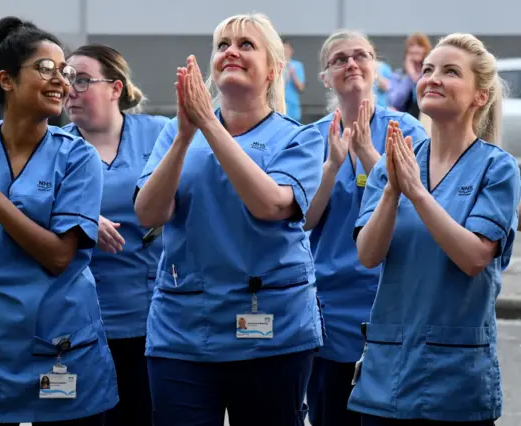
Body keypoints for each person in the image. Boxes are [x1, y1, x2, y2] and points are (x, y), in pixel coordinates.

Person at [0, 16, 118, 425]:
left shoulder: (77, 157)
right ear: (7, 80)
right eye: (45, 69)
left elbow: (60, 257)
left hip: (61, 348)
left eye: (64, 72)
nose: (61, 81)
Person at [134, 13, 325, 426]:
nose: (231, 52)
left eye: (245, 45)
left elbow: (271, 205)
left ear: (274, 69)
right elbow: (149, 213)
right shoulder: (176, 133)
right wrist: (187, 135)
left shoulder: (299, 137)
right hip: (182, 333)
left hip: (272, 334)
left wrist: (207, 123)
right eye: (222, 46)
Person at [350, 33, 519, 425]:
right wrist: (393, 190)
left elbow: (475, 257)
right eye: (427, 70)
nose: (433, 78)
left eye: (450, 72)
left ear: (479, 96)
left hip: (455, 384)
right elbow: (368, 255)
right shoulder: (393, 164)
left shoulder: (498, 169)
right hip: (384, 381)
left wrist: (417, 193)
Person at [305, 30, 428, 426]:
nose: (351, 64)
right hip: (333, 309)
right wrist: (332, 167)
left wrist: (367, 155)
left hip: (395, 303)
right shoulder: (312, 138)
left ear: (375, 67)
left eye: (361, 55)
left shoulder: (408, 131)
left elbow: (421, 207)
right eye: (339, 59)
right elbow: (302, 219)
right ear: (325, 77)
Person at [63, 43, 167, 426]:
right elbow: (25, 210)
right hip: (80, 322)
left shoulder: (160, 135)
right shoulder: (54, 147)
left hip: (153, 318)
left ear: (116, 88)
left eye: (83, 80)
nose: (70, 89)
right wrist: (84, 219)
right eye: (66, 79)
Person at [388, 32, 432, 119]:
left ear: (426, 50)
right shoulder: (398, 75)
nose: (415, 49)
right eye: (412, 45)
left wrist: (416, 77)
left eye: (419, 45)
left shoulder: (430, 74)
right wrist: (410, 74)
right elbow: (395, 102)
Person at [282, 38, 305, 122]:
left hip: (293, 108)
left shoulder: (297, 65)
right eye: (283, 49)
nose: (285, 51)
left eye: (287, 49)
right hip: (279, 107)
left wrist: (293, 74)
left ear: (291, 50)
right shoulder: (276, 65)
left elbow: (301, 88)